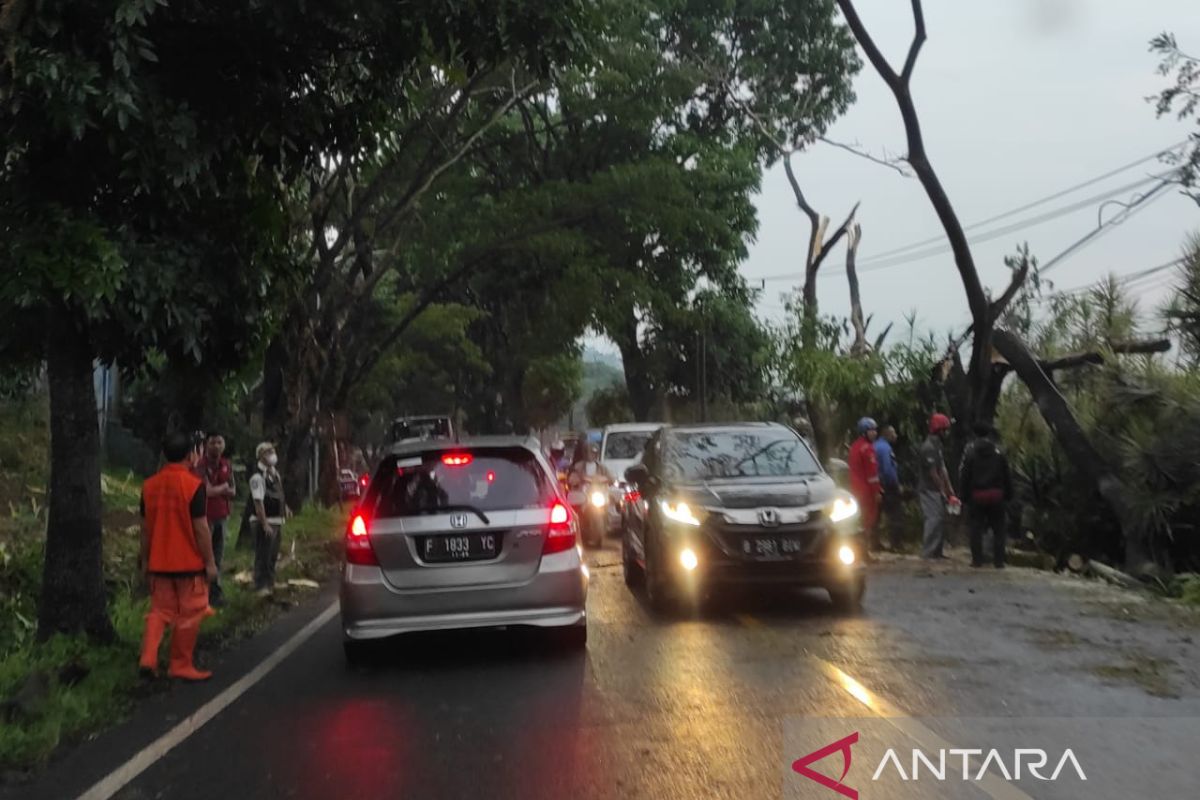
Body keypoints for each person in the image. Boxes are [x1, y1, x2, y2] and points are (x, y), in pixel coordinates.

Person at [138, 431, 219, 681]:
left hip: (159, 564)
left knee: (159, 611)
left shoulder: (149, 486)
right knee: (191, 613)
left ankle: (148, 658)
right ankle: (180, 664)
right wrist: (210, 562)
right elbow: (201, 528)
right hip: (189, 565)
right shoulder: (193, 486)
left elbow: (145, 528)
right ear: (190, 455)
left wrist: (144, 559)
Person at [959, 423, 1014, 568]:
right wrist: (1009, 494)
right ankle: (999, 561)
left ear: (974, 435)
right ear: (989, 435)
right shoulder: (999, 453)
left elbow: (965, 476)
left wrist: (963, 496)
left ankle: (977, 560)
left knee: (976, 528)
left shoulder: (971, 453)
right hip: (996, 495)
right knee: (999, 529)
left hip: (977, 495)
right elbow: (1007, 476)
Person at [246, 442, 291, 596]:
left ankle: (270, 584)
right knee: (263, 556)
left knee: (272, 556)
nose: (272, 454)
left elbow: (279, 493)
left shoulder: (274, 473)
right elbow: (258, 502)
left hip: (277, 521)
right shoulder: (257, 477)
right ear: (260, 455)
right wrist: (264, 524)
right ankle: (260, 586)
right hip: (264, 522)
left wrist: (285, 507)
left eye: (272, 451)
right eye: (268, 452)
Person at [199, 432, 235, 606]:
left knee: (218, 556)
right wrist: (223, 488)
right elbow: (207, 491)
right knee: (206, 556)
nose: (216, 446)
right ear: (207, 444)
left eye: (220, 442)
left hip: (222, 516)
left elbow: (233, 491)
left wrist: (218, 489)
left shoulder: (227, 465)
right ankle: (202, 593)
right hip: (205, 517)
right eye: (213, 442)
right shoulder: (201, 466)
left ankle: (215, 593)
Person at [918, 413, 958, 560]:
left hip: (936, 489)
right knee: (933, 519)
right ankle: (928, 552)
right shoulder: (928, 447)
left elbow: (943, 469)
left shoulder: (937, 446)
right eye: (945, 430)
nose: (947, 433)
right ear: (939, 430)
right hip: (929, 489)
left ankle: (937, 551)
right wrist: (942, 490)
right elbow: (933, 473)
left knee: (940, 519)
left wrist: (950, 490)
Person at [847, 417, 883, 550]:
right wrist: (877, 491)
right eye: (871, 430)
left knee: (859, 521)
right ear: (864, 432)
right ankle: (864, 551)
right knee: (867, 522)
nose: (874, 433)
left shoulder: (855, 446)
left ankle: (862, 551)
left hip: (855, 490)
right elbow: (872, 474)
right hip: (866, 492)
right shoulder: (867, 449)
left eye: (875, 430)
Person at [874, 425, 904, 551]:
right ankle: (895, 545)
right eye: (894, 433)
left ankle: (875, 543)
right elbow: (888, 469)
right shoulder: (886, 448)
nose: (896, 435)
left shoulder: (874, 446)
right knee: (895, 515)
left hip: (876, 484)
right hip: (888, 486)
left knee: (877, 515)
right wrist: (896, 484)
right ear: (887, 435)